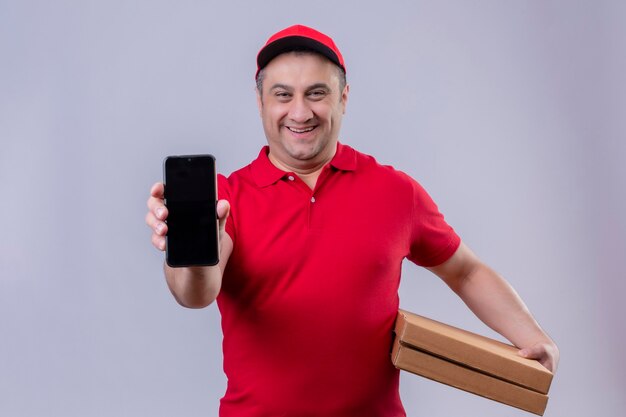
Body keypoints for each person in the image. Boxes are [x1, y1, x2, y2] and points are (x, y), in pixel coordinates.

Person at [146, 24, 559, 417]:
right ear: (261, 103)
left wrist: (532, 337)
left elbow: (465, 271)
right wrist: (195, 251)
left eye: (317, 93)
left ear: (343, 99)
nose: (300, 111)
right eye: (283, 95)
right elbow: (194, 294)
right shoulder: (227, 198)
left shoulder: (396, 192)